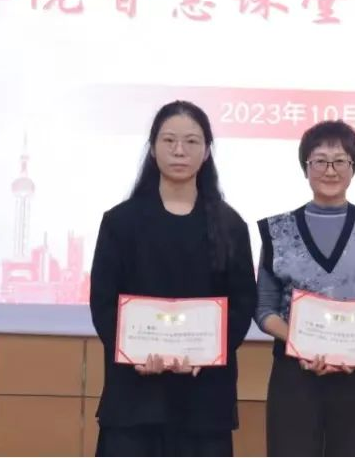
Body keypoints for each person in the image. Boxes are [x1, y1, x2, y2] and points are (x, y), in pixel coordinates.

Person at [89, 100, 257, 457]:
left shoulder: (230, 226)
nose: (179, 151)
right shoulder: (120, 222)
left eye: (192, 141)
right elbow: (103, 302)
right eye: (169, 140)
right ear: (152, 148)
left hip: (204, 401)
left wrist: (207, 354)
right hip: (134, 398)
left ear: (207, 151)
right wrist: (132, 354)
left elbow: (242, 304)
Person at [255, 119, 355, 457]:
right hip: (294, 374)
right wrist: (302, 344)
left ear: (353, 167)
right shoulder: (277, 230)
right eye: (320, 161)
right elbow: (264, 307)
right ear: (305, 167)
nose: (330, 170)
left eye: (340, 161)